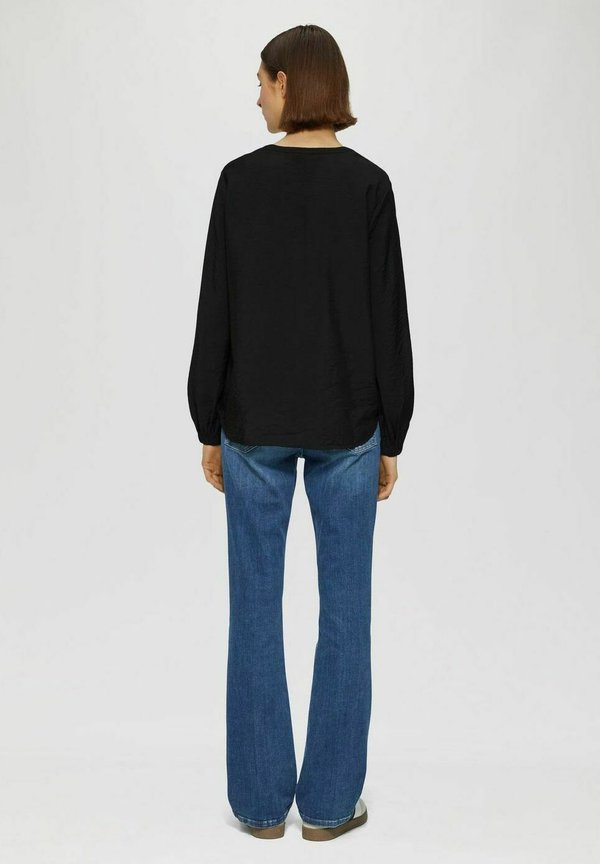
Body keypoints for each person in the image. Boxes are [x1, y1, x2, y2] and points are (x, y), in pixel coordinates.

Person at [187, 24, 414, 841]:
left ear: (289, 82)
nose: (255, 95)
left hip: (251, 426)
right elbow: (389, 317)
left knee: (254, 610)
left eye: (261, 80)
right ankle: (327, 808)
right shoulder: (368, 187)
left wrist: (207, 418)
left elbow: (217, 307)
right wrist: (394, 432)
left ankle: (258, 807)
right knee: (345, 614)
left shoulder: (239, 182)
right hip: (350, 425)